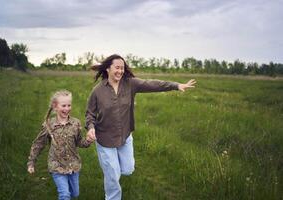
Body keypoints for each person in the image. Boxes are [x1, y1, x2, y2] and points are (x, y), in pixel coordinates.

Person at [85, 54, 196, 200]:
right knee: (112, 176)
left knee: (128, 169)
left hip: (125, 136)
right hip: (105, 139)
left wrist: (176, 85)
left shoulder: (130, 84)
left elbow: (153, 84)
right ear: (108, 69)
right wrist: (91, 128)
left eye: (122, 68)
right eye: (117, 68)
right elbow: (89, 114)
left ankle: (113, 169)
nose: (120, 71)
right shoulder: (98, 91)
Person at [27, 90, 95, 200]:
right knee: (64, 194)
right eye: (63, 105)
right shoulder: (49, 125)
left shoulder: (75, 123)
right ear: (55, 106)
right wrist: (31, 162)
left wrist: (88, 140)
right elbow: (38, 144)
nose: (67, 108)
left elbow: (79, 142)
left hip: (73, 165)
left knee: (75, 193)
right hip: (56, 166)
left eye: (69, 105)